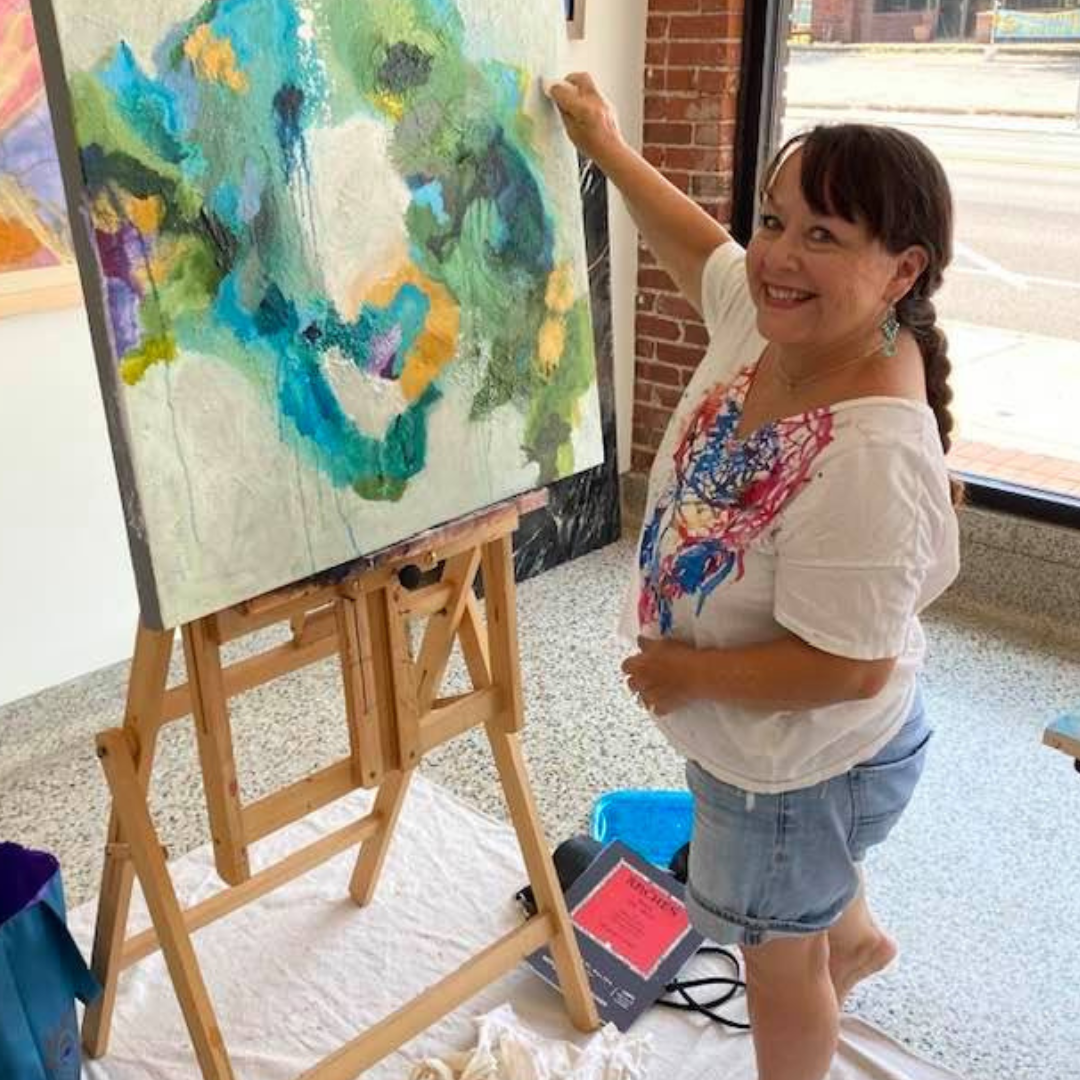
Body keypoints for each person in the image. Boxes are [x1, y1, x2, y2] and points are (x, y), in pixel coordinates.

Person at [546, 73, 961, 1080]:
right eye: (776, 219)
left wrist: (689, 677)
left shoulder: (873, 453)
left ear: (901, 270)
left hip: (786, 761)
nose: (778, 255)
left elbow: (847, 668)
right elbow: (702, 247)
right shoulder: (784, 319)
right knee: (807, 902)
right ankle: (849, 934)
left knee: (776, 965)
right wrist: (603, 144)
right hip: (793, 748)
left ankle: (826, 955)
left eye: (824, 235)